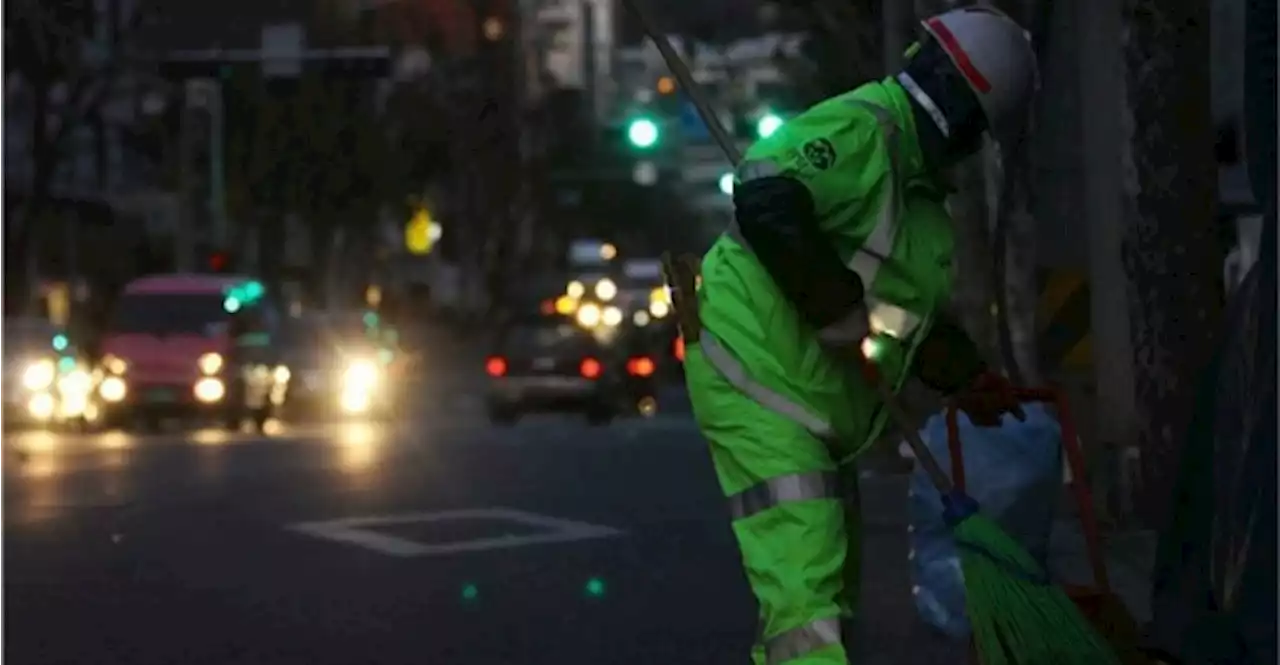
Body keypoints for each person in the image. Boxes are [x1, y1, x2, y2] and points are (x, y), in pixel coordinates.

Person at [681, 7, 1039, 664]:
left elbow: (900, 318)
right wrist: (831, 304)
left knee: (831, 588)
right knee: (807, 590)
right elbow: (764, 192)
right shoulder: (861, 128)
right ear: (968, 126)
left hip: (815, 391)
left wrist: (965, 376)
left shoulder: (923, 204)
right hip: (757, 370)